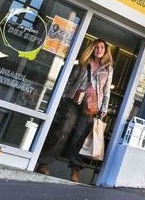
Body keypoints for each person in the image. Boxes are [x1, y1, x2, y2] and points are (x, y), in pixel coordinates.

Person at [35, 38, 114, 182]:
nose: (99, 49)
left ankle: (75, 170)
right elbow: (71, 81)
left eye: (102, 47)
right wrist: (63, 97)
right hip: (74, 101)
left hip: (91, 106)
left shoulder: (108, 69)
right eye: (97, 47)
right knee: (62, 132)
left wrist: (104, 108)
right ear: (92, 48)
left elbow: (106, 91)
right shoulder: (83, 62)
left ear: (105, 50)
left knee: (80, 137)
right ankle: (44, 163)